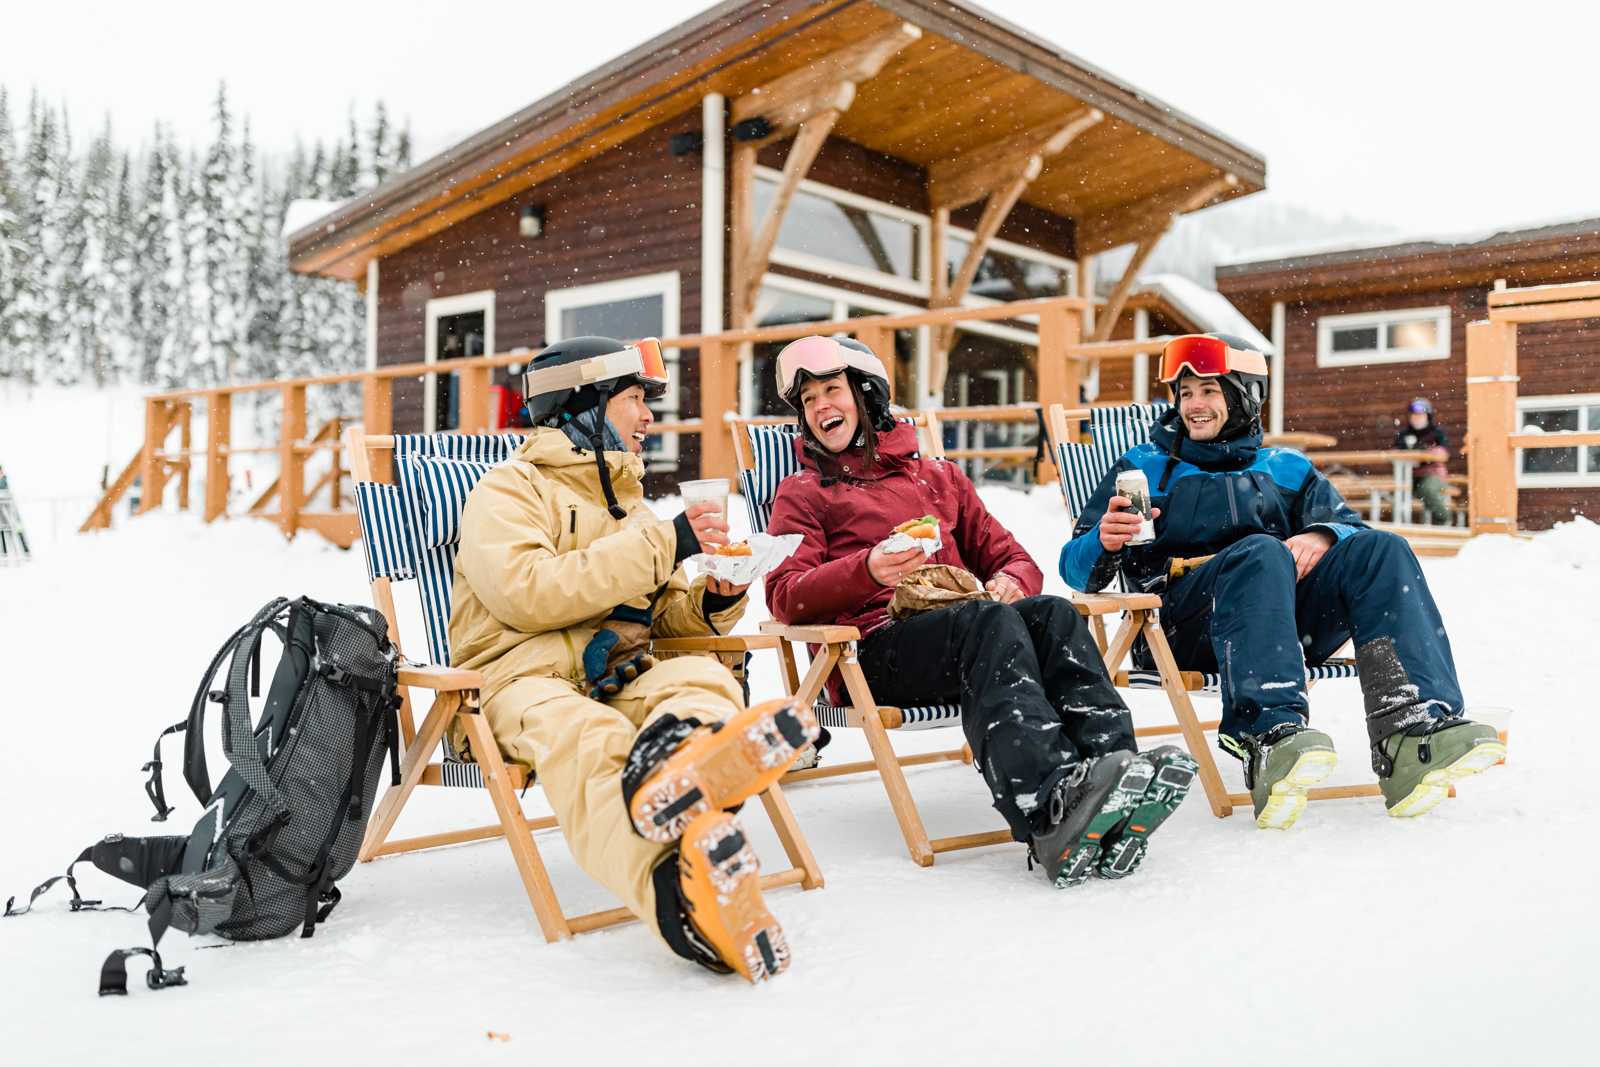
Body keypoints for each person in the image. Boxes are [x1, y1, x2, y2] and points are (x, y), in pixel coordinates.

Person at [450, 335, 820, 983]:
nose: (650, 416)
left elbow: (667, 618)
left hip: (611, 673)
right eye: (633, 400)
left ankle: (677, 759)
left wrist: (713, 598)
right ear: (581, 407)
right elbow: (528, 592)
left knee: (700, 673)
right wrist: (666, 542)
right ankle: (680, 898)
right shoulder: (507, 491)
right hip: (515, 680)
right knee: (587, 738)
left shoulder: (630, 507)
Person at [763, 335, 1196, 889]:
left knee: (1051, 614)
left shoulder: (939, 480)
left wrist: (1010, 583)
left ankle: (1116, 780)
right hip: (871, 652)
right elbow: (786, 596)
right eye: (808, 400)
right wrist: (867, 569)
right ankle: (1047, 807)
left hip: (969, 636)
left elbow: (1014, 558)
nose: (820, 407)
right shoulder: (803, 492)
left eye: (832, 390)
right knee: (987, 622)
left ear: (867, 395)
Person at [1060, 333, 1505, 829]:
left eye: (1208, 390)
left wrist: (1322, 534)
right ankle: (1269, 736)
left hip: (1282, 627)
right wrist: (1104, 540)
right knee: (1262, 550)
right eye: (1185, 394)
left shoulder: (1286, 468)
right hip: (1182, 629)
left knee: (1383, 549)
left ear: (1243, 396)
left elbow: (1350, 527)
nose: (1194, 405)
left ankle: (1411, 731)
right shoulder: (1141, 468)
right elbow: (1073, 568)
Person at [1394, 397, 1453, 524]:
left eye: (1420, 415)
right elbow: (1394, 453)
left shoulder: (1437, 433)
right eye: (1413, 415)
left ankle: (1444, 518)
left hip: (1432, 474)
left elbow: (1443, 453)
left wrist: (1426, 451)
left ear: (1428, 416)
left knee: (1427, 490)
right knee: (1394, 493)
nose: (1416, 418)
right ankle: (1398, 523)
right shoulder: (1404, 434)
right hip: (1407, 476)